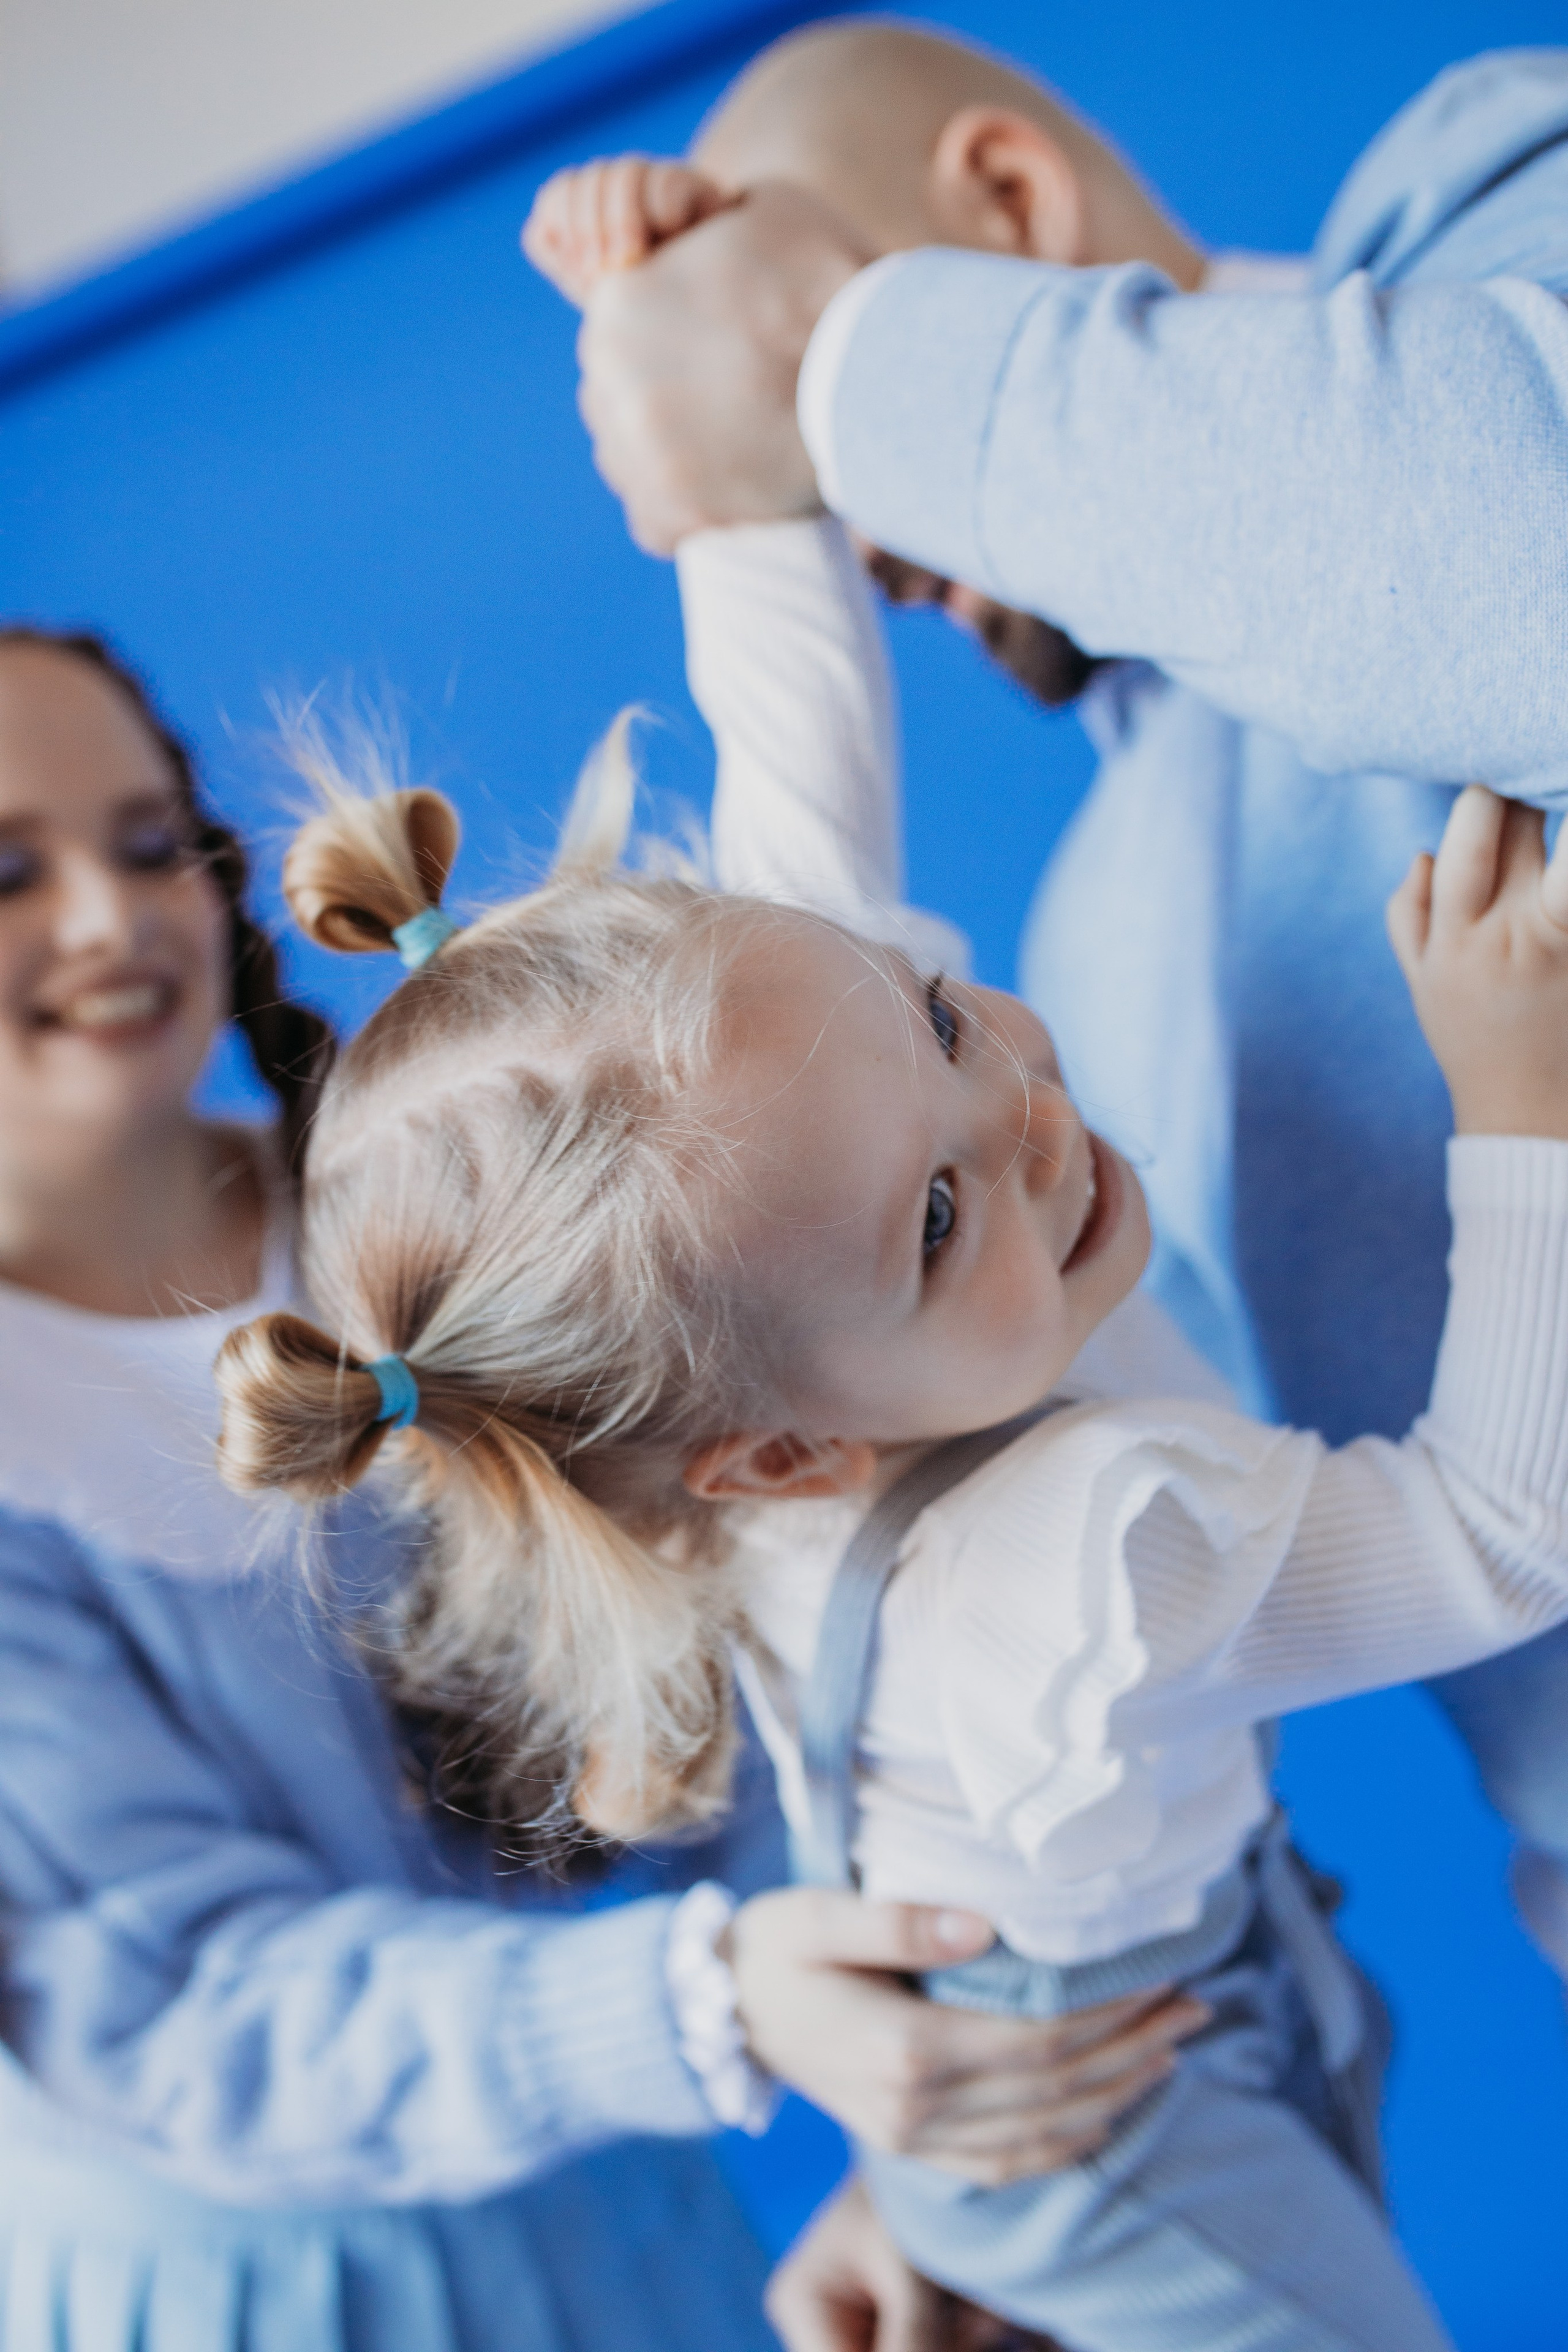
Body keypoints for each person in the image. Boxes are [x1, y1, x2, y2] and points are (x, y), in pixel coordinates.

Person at [213, 628, 1568, 2346]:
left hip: (1054, 2035)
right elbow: (1507, 1542)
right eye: (936, 1214)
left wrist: (750, 492)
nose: (1022, 1109)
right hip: (1119, 2123)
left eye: (936, 1014)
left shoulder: (757, 1314)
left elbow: (814, 801)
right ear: (783, 1457)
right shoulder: (1077, 1559)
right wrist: (1523, 1096)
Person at [0, 628, 1196, 2351]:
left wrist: (898, 2091)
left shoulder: (439, 1223)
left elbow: (771, 1586)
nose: (110, 923)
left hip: (629, 2212)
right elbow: (177, 2004)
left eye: (143, 843)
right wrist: (714, 2001)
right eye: (4, 872)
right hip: (272, 2294)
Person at [557, 26, 1568, 1986]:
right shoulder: (1091, 947)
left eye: (832, 477)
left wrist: (831, 361)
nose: (872, 540)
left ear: (1005, 209)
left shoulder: (1489, 199)